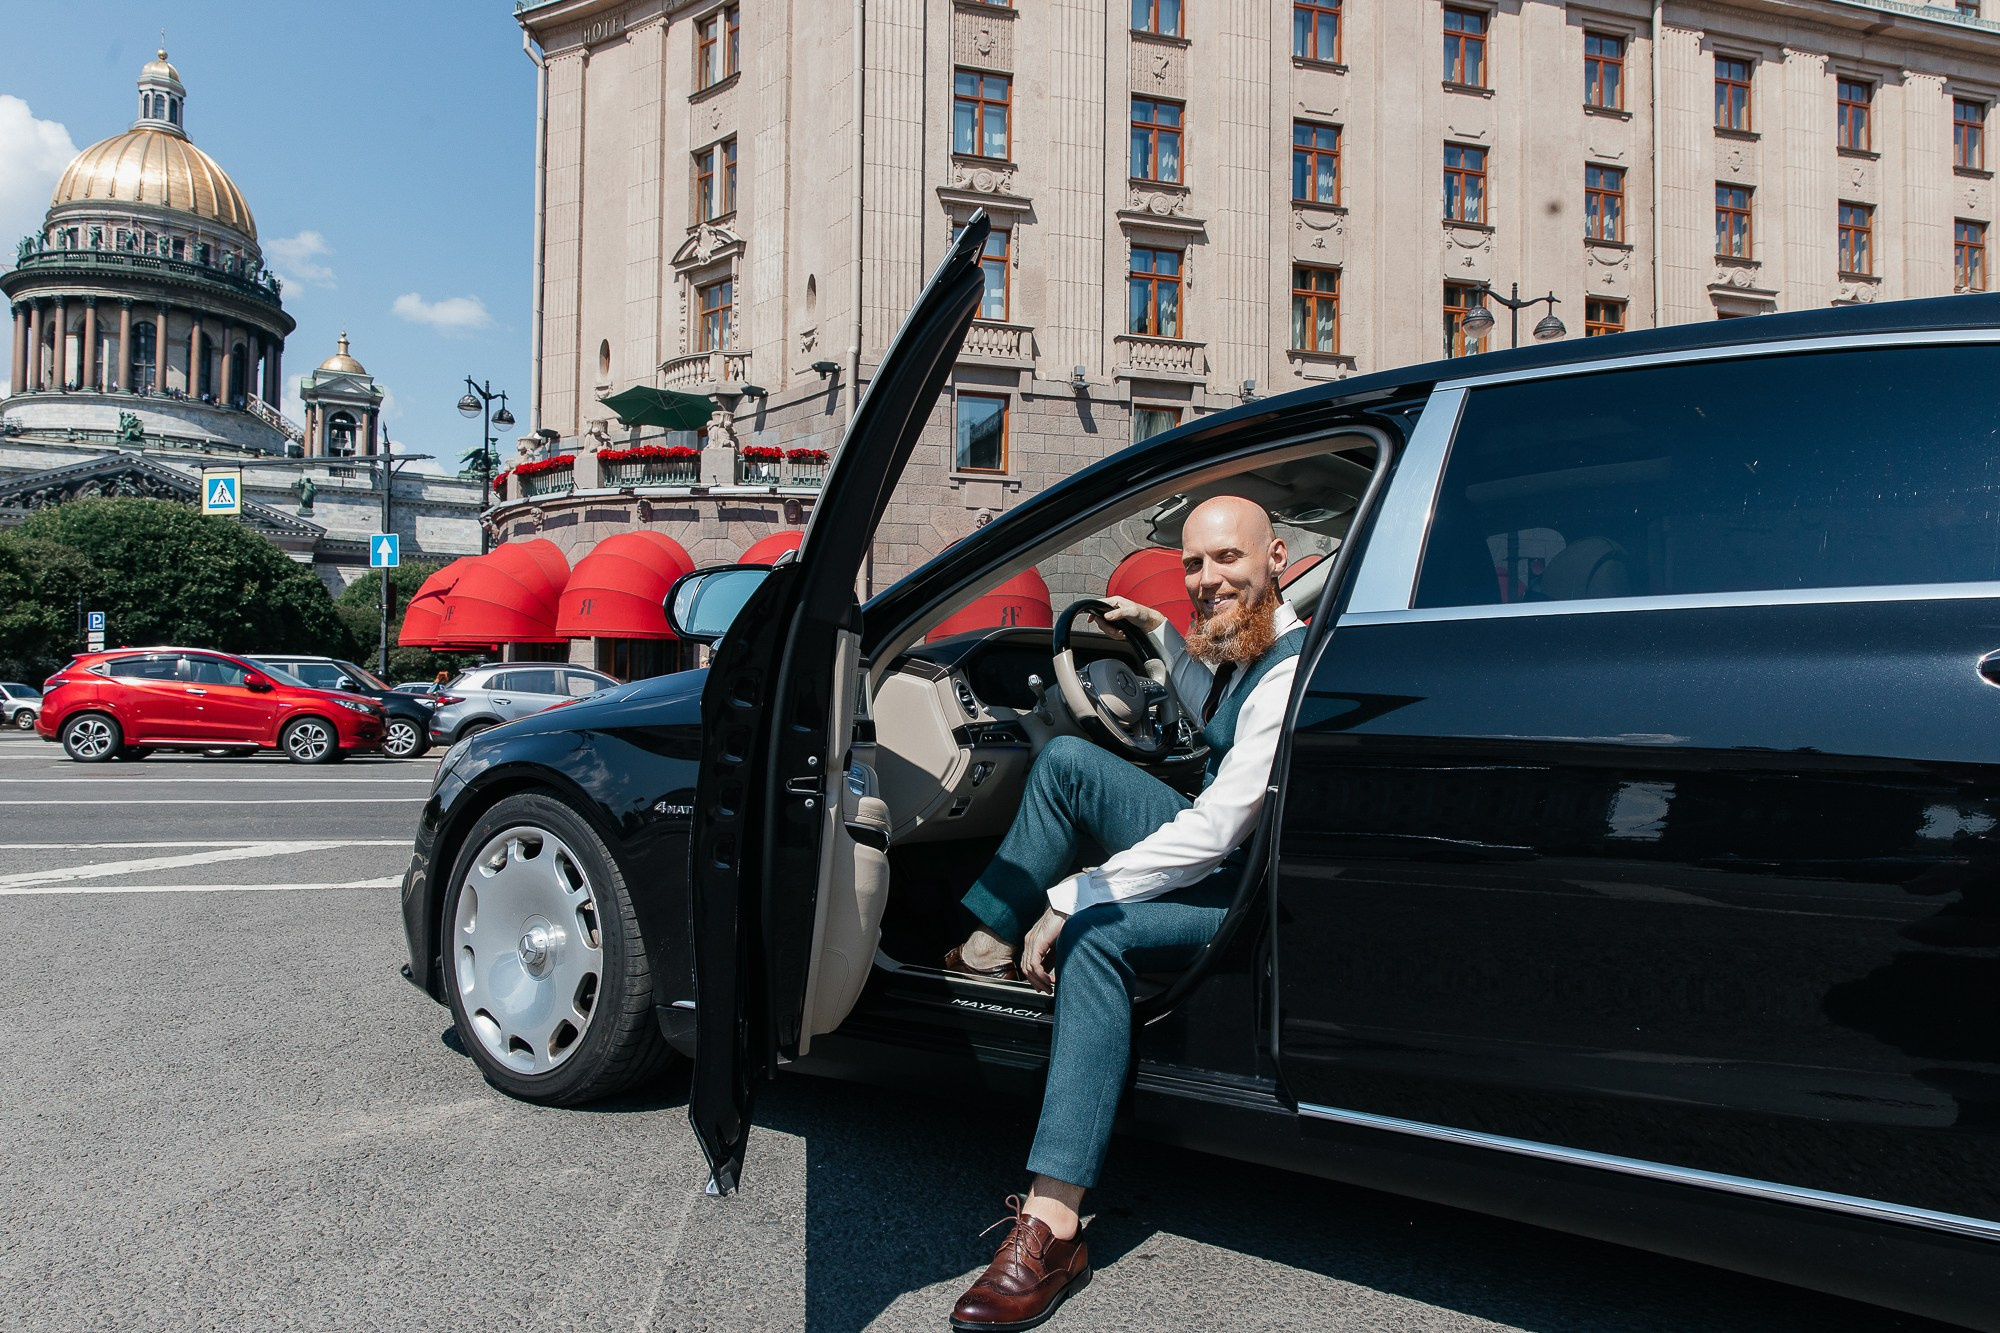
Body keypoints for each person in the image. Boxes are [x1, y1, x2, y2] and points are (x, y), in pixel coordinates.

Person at [945, 495, 1308, 1331]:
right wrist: (1154, 631)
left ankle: (1053, 1224)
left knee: (1097, 933)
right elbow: (1211, 708)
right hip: (1224, 856)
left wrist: (1075, 896)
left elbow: (1215, 832)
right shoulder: (1246, 649)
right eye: (1193, 564)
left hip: (1243, 889)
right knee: (1069, 757)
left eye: (1228, 559)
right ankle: (988, 938)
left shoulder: (1290, 669)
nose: (1207, 578)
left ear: (1277, 556)